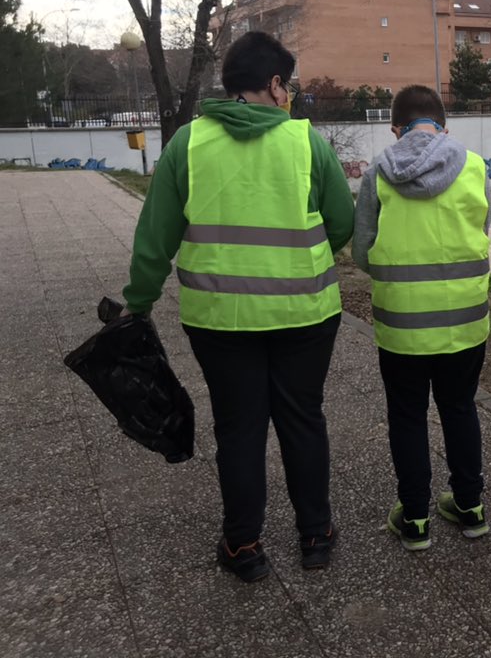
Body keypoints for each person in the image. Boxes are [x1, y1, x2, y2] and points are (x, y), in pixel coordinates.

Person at [122, 31, 354, 582]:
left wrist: (139, 302)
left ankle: (243, 546)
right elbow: (341, 221)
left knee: (240, 427)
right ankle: (315, 535)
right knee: (302, 418)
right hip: (305, 313)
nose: (290, 94)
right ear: (274, 85)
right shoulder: (307, 144)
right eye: (287, 84)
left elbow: (155, 235)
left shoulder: (187, 145)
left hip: (219, 319)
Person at [352, 85, 491, 552]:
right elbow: (482, 233)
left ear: (396, 128)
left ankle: (414, 520)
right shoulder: (474, 166)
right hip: (465, 321)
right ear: (443, 127)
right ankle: (470, 508)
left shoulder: (378, 172)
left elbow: (362, 251)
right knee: (460, 407)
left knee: (407, 416)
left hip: (402, 324)